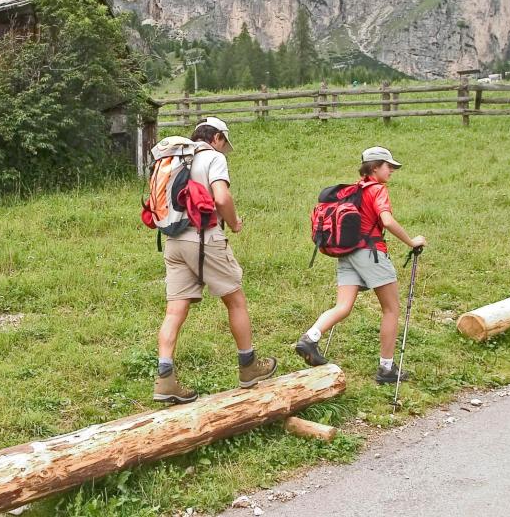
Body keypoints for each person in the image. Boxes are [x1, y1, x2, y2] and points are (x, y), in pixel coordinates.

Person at [153, 117, 277, 404]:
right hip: (204, 238)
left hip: (173, 241)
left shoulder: (175, 158)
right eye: (224, 142)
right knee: (236, 300)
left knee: (174, 311)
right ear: (217, 137)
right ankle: (248, 367)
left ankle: (165, 378)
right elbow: (221, 198)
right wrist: (234, 223)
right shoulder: (213, 157)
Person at [294, 146, 426, 384]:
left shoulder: (354, 190)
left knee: (343, 306)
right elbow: (386, 220)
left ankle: (310, 338)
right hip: (371, 254)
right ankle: (386, 368)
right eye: (389, 166)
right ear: (375, 167)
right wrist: (411, 241)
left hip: (347, 253)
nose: (392, 171)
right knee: (391, 309)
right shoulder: (377, 190)